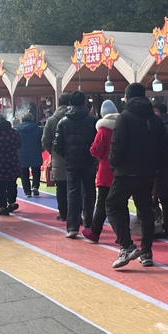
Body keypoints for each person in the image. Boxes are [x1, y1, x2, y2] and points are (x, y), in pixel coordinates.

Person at [103, 84, 168, 268]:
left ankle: (126, 246)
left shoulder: (124, 117)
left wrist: (113, 163)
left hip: (125, 171)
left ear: (126, 97)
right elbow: (164, 149)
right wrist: (155, 168)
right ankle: (146, 251)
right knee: (145, 210)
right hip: (147, 172)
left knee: (112, 204)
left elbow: (116, 146)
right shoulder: (155, 120)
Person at [54, 90, 98, 238]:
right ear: (85, 102)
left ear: (70, 103)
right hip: (89, 161)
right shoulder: (93, 120)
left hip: (72, 163)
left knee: (72, 194)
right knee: (89, 192)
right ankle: (89, 223)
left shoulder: (63, 121)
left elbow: (56, 145)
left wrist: (67, 155)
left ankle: (72, 227)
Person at [83, 100, 119, 245]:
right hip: (121, 170)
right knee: (120, 203)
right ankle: (122, 233)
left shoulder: (103, 130)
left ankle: (95, 231)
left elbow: (95, 150)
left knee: (103, 202)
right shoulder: (122, 126)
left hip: (106, 170)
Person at [43, 93, 71, 221]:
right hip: (77, 157)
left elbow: (45, 141)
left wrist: (53, 152)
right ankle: (77, 213)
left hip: (58, 157)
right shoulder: (77, 117)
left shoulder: (51, 120)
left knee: (61, 186)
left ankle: (63, 213)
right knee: (76, 186)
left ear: (58, 103)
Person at [152, 99, 168, 238]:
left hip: (165, 169)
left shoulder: (165, 127)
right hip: (166, 168)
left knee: (165, 198)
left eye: (156, 111)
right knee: (165, 198)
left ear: (161, 112)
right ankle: (167, 226)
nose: (154, 114)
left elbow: (164, 148)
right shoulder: (165, 124)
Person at [16, 113, 44, 197]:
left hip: (21, 153)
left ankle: (27, 191)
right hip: (35, 151)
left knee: (24, 173)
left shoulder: (16, 129)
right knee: (36, 170)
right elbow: (43, 141)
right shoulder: (39, 129)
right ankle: (35, 186)